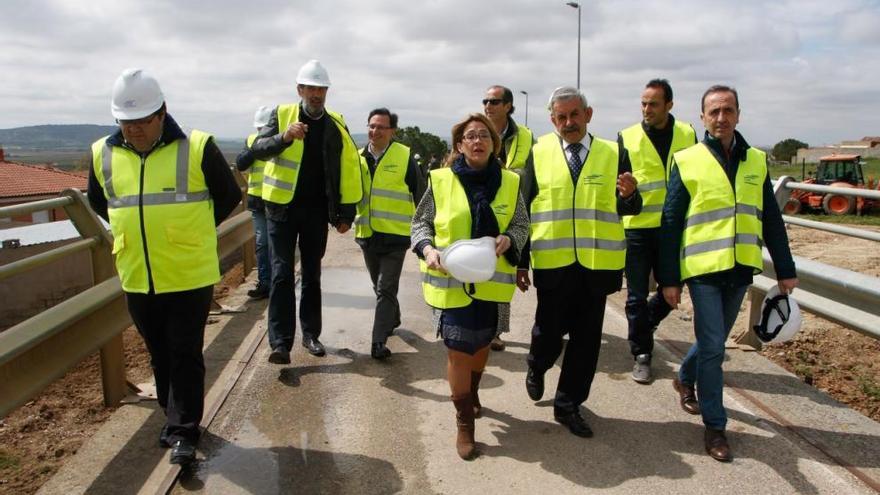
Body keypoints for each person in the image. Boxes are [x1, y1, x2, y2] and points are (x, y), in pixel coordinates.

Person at [86, 68, 241, 465]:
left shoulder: (197, 146)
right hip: (137, 271)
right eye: (125, 122)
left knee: (185, 350)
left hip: (188, 272)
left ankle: (185, 431)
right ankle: (173, 419)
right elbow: (100, 202)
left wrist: (189, 233)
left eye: (142, 122)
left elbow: (227, 197)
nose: (133, 131)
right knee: (158, 353)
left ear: (163, 113)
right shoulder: (103, 152)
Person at [658, 85, 798, 462]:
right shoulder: (687, 160)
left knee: (712, 342)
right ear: (703, 117)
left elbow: (770, 216)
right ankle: (715, 427)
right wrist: (669, 278)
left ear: (739, 114)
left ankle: (685, 378)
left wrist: (785, 269)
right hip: (703, 270)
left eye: (728, 110)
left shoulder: (756, 159)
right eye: (714, 111)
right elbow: (671, 223)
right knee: (715, 348)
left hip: (740, 268)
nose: (721, 117)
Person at [518, 86, 641, 438]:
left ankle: (568, 404)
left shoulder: (615, 154)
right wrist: (521, 262)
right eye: (561, 117)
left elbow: (629, 207)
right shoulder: (538, 153)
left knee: (586, 342)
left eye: (574, 115)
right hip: (554, 264)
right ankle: (536, 363)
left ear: (589, 115)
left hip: (596, 265)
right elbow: (524, 210)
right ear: (552, 119)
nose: (568, 123)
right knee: (548, 333)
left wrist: (632, 196)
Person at [411, 113, 529, 460]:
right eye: (470, 136)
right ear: (459, 145)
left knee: (481, 346)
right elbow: (419, 224)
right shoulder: (440, 180)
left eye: (484, 136)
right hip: (451, 283)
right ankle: (464, 422)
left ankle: (473, 391)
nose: (477, 141)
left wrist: (510, 239)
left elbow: (522, 224)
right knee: (459, 348)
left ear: (494, 144)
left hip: (492, 286)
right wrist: (428, 248)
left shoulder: (510, 182)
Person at [248, 60, 362, 364]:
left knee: (312, 274)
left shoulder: (336, 123)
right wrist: (283, 137)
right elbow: (258, 150)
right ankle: (280, 343)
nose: (316, 94)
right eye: (311, 88)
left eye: (321, 88)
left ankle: (311, 335)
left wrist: (345, 213)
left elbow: (347, 169)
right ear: (300, 90)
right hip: (281, 210)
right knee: (282, 274)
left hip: (316, 212)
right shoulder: (282, 115)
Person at [618, 79, 697, 383]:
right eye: (643, 103)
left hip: (673, 230)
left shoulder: (688, 134)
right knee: (636, 296)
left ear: (669, 106)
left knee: (672, 291)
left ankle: (644, 324)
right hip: (638, 229)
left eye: (653, 104)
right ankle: (641, 353)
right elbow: (620, 186)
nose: (646, 109)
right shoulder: (627, 137)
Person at [355, 108, 424, 359]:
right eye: (371, 126)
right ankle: (392, 318)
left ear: (392, 131)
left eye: (381, 127)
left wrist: (424, 229)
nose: (375, 131)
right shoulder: (358, 157)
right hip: (367, 233)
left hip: (395, 236)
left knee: (385, 287)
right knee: (380, 286)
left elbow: (421, 194)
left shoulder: (404, 157)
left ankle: (378, 341)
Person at [482, 85, 535, 352]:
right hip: (479, 208)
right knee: (479, 267)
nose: (488, 105)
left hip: (512, 210)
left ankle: (496, 331)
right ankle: (477, 325)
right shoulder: (477, 130)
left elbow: (532, 175)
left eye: (494, 101)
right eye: (485, 101)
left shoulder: (526, 137)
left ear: (508, 106)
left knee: (503, 272)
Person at [236, 105, 274, 300]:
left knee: (275, 243)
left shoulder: (280, 142)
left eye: (264, 128)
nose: (261, 132)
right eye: (259, 129)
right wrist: (255, 147)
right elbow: (241, 163)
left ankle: (277, 282)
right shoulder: (251, 141)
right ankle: (265, 282)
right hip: (258, 201)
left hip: (276, 199)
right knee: (262, 242)